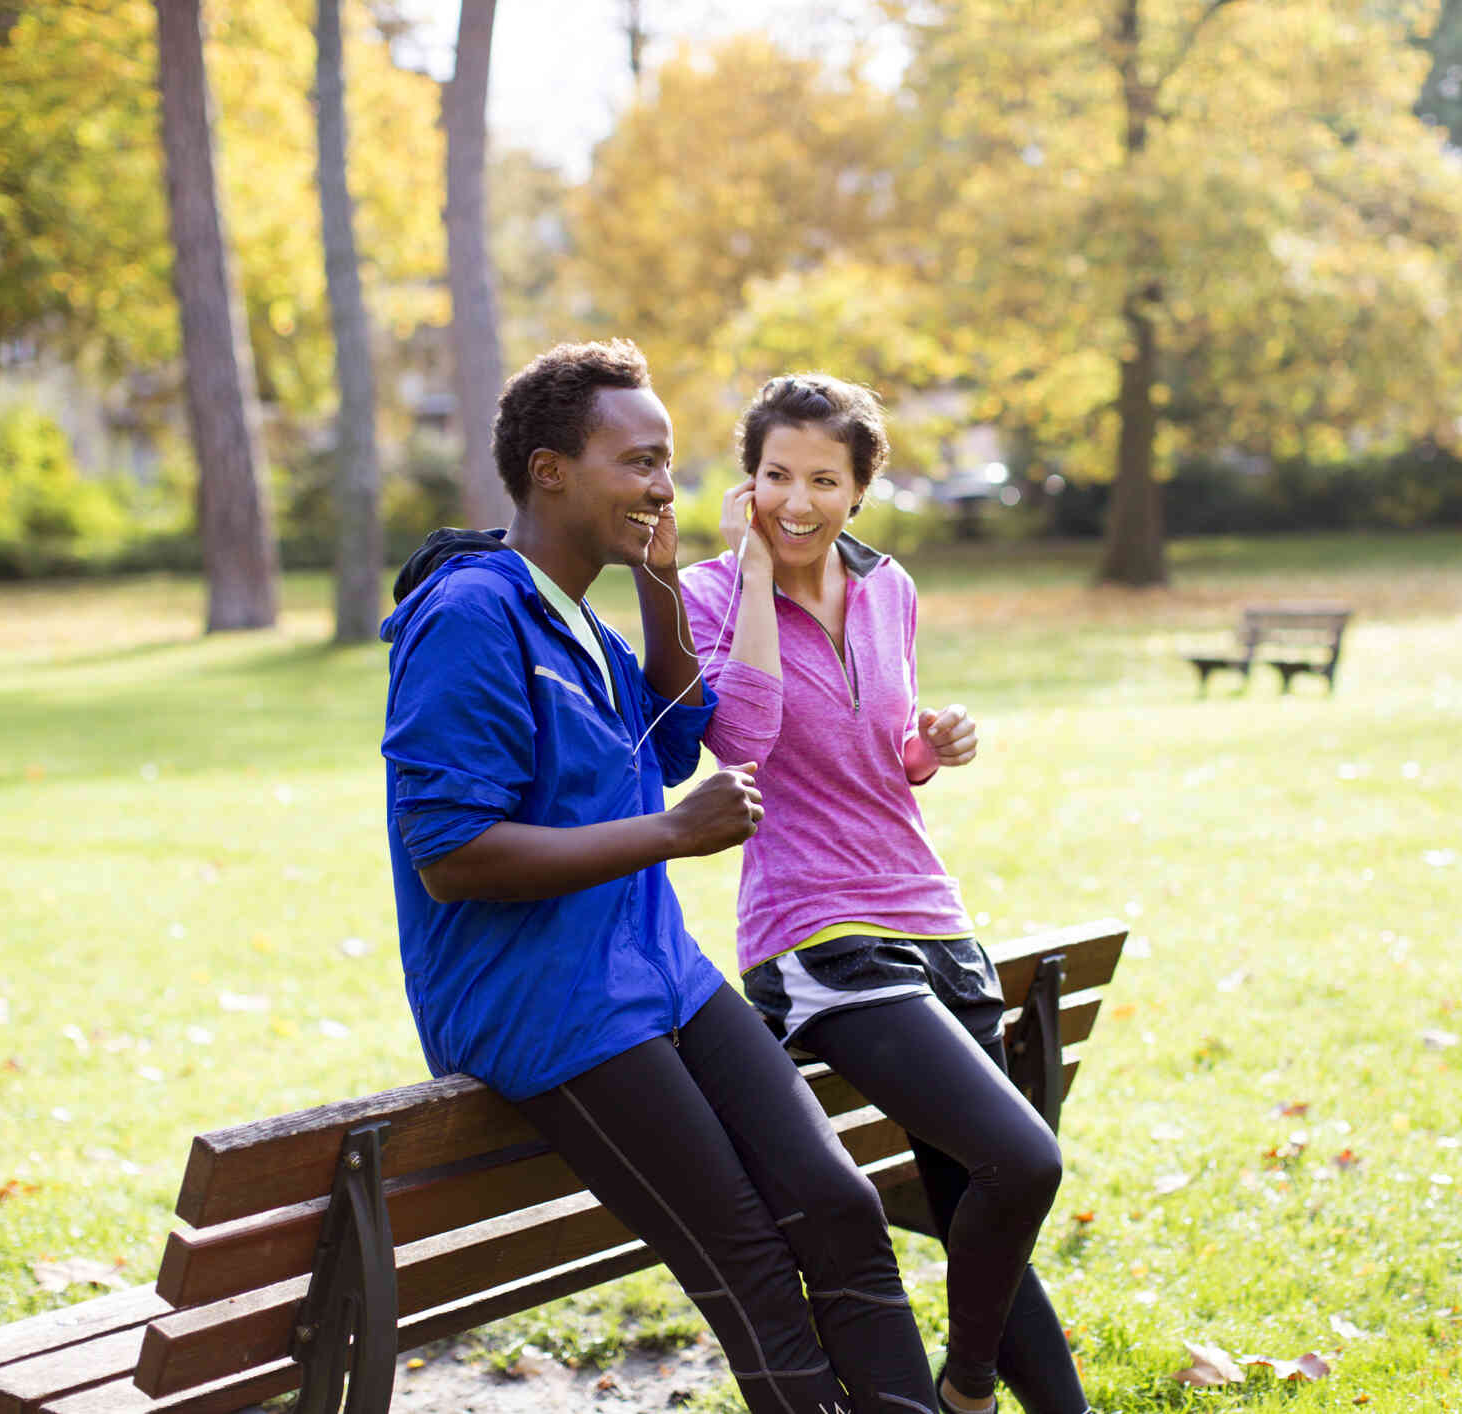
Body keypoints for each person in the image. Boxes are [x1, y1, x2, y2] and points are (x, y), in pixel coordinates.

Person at [379, 341, 938, 1414]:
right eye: (638, 462)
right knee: (755, 1268)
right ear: (551, 469)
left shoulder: (578, 615)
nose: (660, 486)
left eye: (668, 463)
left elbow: (676, 740)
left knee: (838, 1205)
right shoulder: (472, 616)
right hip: (546, 1004)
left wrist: (657, 580)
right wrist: (671, 839)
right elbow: (452, 857)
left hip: (652, 971)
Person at [679, 375, 1093, 1414]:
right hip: (817, 935)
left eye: (824, 478)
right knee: (1025, 1161)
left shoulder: (891, 588)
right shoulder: (706, 596)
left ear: (862, 489)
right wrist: (756, 581)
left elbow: (885, 749)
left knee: (972, 1194)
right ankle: (966, 1386)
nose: (798, 500)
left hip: (934, 920)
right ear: (748, 482)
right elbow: (746, 739)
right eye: (776, 475)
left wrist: (933, 743)